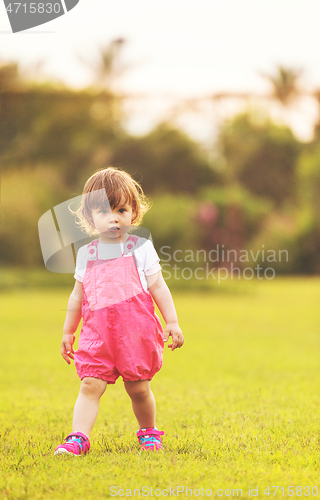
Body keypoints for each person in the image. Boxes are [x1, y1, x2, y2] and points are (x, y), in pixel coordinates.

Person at [54, 167, 184, 456]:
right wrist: (68, 331)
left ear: (133, 214)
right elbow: (78, 296)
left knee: (138, 389)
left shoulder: (141, 248)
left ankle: (149, 432)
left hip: (134, 335)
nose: (113, 218)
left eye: (121, 210)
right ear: (90, 217)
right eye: (104, 211)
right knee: (90, 385)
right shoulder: (87, 254)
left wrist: (171, 321)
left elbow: (159, 287)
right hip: (97, 336)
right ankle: (78, 438)